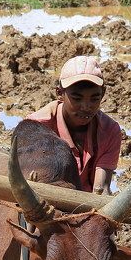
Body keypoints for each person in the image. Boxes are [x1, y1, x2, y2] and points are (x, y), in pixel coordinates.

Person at [27, 55, 122, 195]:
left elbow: (101, 188)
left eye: (94, 98)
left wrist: (101, 199)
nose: (86, 107)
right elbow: (32, 182)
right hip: (46, 198)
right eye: (77, 98)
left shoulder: (110, 131)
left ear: (103, 94)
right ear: (60, 93)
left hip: (87, 202)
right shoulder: (36, 128)